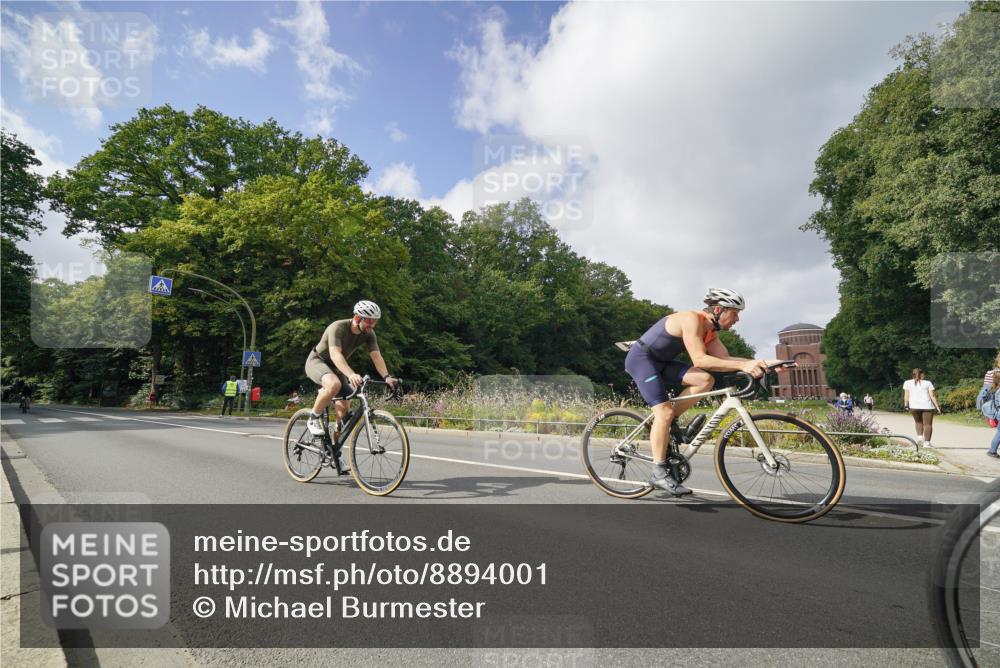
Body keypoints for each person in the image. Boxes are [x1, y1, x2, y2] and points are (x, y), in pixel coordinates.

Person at [624, 288, 771, 496]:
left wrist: (767, 363)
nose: (737, 319)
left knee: (705, 380)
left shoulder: (709, 332)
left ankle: (669, 424)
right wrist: (744, 365)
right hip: (641, 360)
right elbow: (700, 360)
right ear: (718, 309)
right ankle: (658, 471)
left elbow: (726, 360)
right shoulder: (691, 319)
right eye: (735, 313)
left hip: (662, 363)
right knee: (663, 412)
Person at [304, 300, 398, 445]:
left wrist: (386, 377)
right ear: (357, 317)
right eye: (369, 321)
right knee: (334, 384)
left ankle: (334, 450)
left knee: (344, 411)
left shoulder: (369, 333)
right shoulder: (338, 327)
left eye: (375, 321)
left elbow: (376, 356)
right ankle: (313, 419)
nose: (372, 325)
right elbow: (335, 354)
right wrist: (351, 374)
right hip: (317, 362)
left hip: (337, 368)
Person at [903, 368, 941, 448]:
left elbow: (906, 395)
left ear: (913, 374)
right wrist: (937, 407)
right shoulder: (928, 383)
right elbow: (932, 396)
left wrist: (906, 405)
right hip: (927, 406)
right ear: (922, 374)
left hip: (914, 407)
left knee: (918, 422)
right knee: (927, 424)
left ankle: (920, 439)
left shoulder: (907, 383)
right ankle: (927, 443)